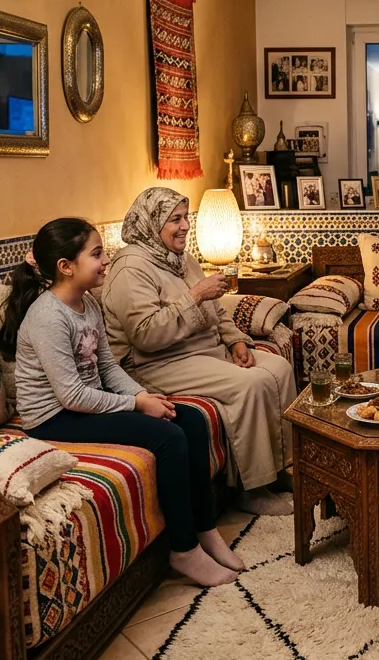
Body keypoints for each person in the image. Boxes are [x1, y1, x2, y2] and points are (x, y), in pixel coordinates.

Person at [0, 218, 244, 587]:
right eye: (97, 254)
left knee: (190, 420)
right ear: (66, 266)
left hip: (84, 404)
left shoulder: (87, 304)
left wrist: (140, 395)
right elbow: (71, 395)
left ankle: (204, 529)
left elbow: (107, 366)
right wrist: (135, 405)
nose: (106, 261)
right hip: (54, 418)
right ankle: (184, 549)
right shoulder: (49, 317)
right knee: (168, 437)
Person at [101, 188, 296, 516]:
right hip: (156, 362)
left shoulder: (180, 258)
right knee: (251, 384)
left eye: (185, 218)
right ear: (152, 223)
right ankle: (252, 488)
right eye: (175, 219)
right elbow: (146, 335)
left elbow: (216, 309)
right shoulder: (130, 269)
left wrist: (236, 341)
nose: (185, 226)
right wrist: (194, 296)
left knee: (279, 368)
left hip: (203, 351)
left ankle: (278, 470)